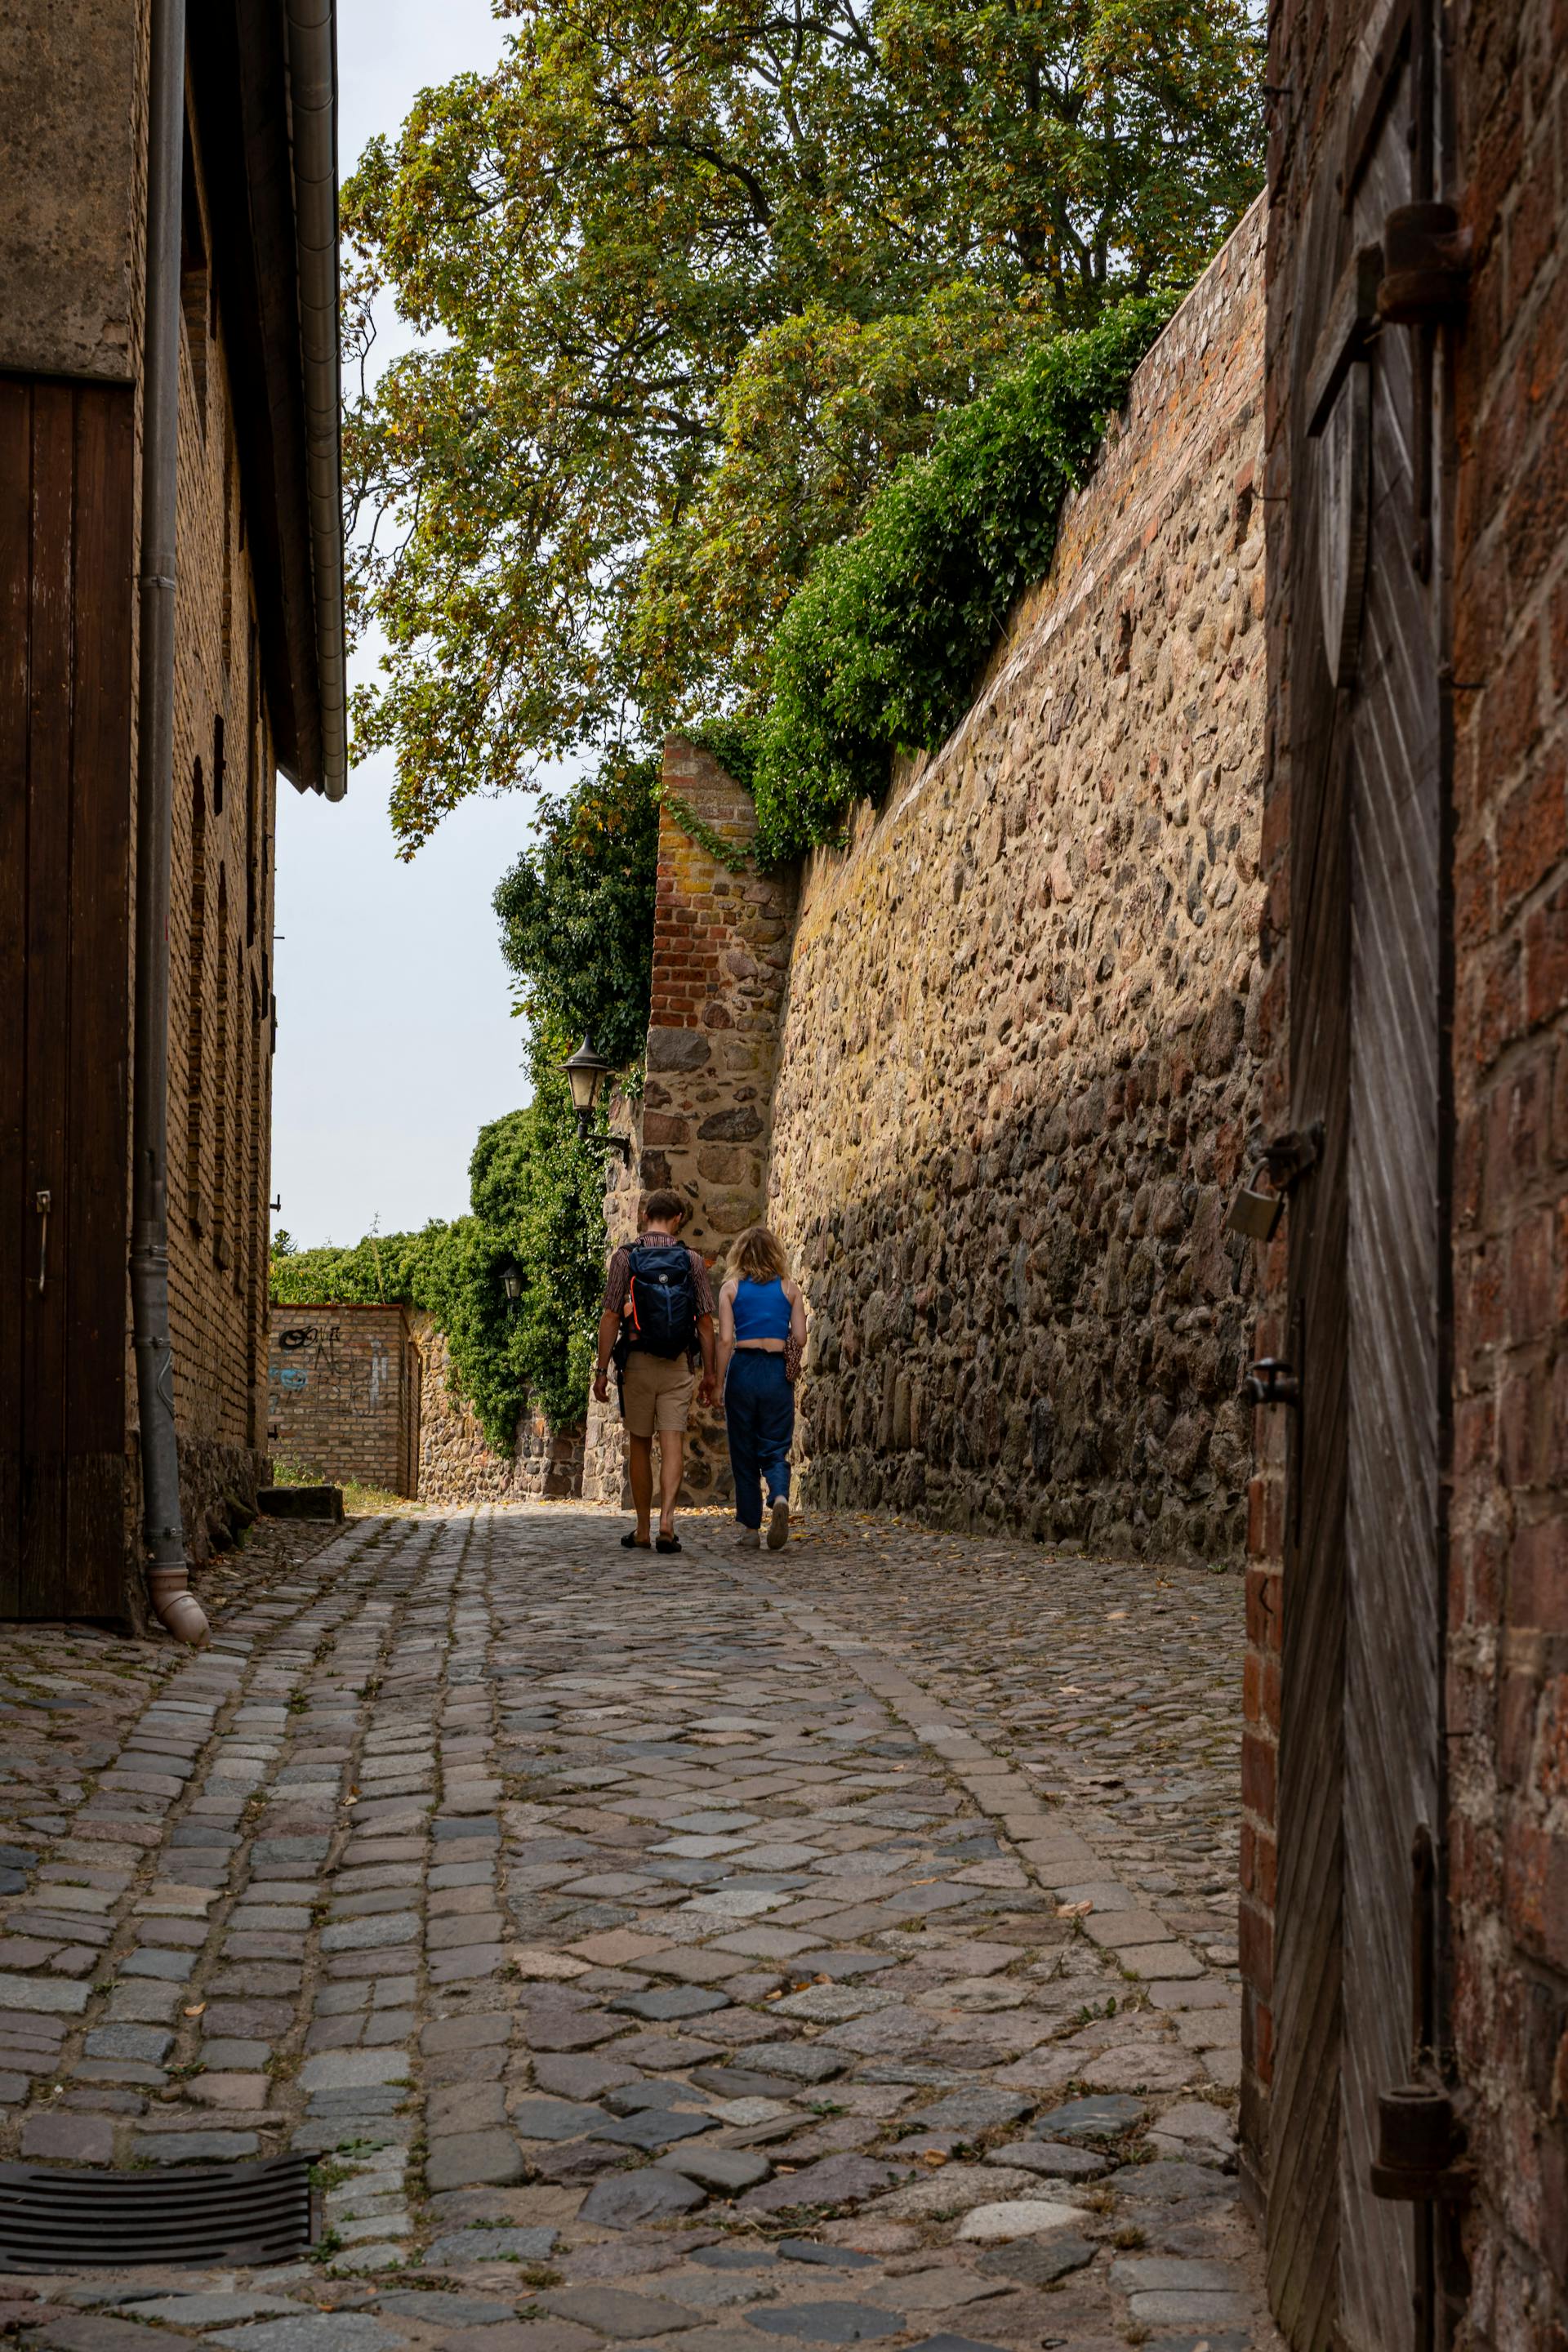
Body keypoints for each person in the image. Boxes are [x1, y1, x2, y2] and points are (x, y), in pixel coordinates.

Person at [594, 1189, 716, 1553]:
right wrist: (710, 1373)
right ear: (678, 1219)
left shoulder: (625, 1258)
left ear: (644, 1215)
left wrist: (601, 1370)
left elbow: (611, 1316)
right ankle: (668, 1523)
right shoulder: (691, 1260)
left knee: (640, 1444)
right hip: (678, 1363)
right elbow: (706, 1323)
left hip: (638, 1362)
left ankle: (642, 1528)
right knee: (673, 1441)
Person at [716, 1225, 807, 1550]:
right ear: (775, 1254)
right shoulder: (790, 1290)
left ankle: (750, 1529)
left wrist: (717, 1382)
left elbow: (726, 1340)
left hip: (743, 1370)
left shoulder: (730, 1289)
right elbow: (800, 1338)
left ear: (739, 1255)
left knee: (743, 1450)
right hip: (775, 1373)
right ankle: (780, 1496)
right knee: (775, 1445)